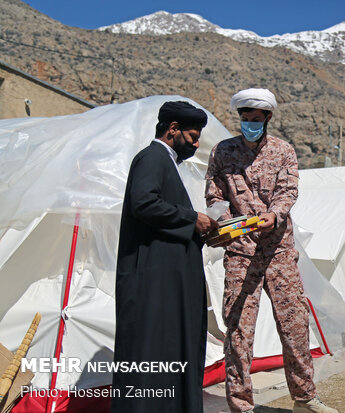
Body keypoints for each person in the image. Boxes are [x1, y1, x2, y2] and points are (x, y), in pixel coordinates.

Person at [205, 88, 338, 413]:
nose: (249, 124)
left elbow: (288, 188)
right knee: (238, 331)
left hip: (278, 251)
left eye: (255, 120)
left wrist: (274, 214)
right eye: (244, 119)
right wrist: (226, 221)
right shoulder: (223, 152)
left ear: (268, 118)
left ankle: (305, 398)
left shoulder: (283, 151)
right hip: (240, 251)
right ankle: (241, 405)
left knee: (294, 324)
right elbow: (214, 192)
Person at [112, 101, 217, 413]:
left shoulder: (167, 162)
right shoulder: (152, 157)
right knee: (149, 355)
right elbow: (143, 203)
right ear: (173, 129)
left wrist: (203, 228)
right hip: (151, 284)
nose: (196, 144)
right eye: (193, 136)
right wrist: (192, 219)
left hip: (168, 284)